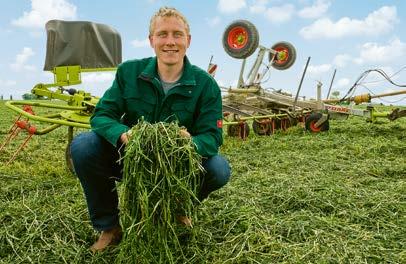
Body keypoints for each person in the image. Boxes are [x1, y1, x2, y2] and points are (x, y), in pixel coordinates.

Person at [70, 6, 231, 253]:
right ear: (151, 40)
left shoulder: (205, 85)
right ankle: (109, 227)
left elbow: (212, 137)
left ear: (188, 40)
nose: (170, 42)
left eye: (177, 34)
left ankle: (178, 208)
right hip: (131, 158)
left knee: (218, 169)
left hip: (177, 166)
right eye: (162, 34)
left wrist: (189, 143)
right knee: (83, 146)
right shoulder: (129, 73)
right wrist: (124, 134)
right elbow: (102, 115)